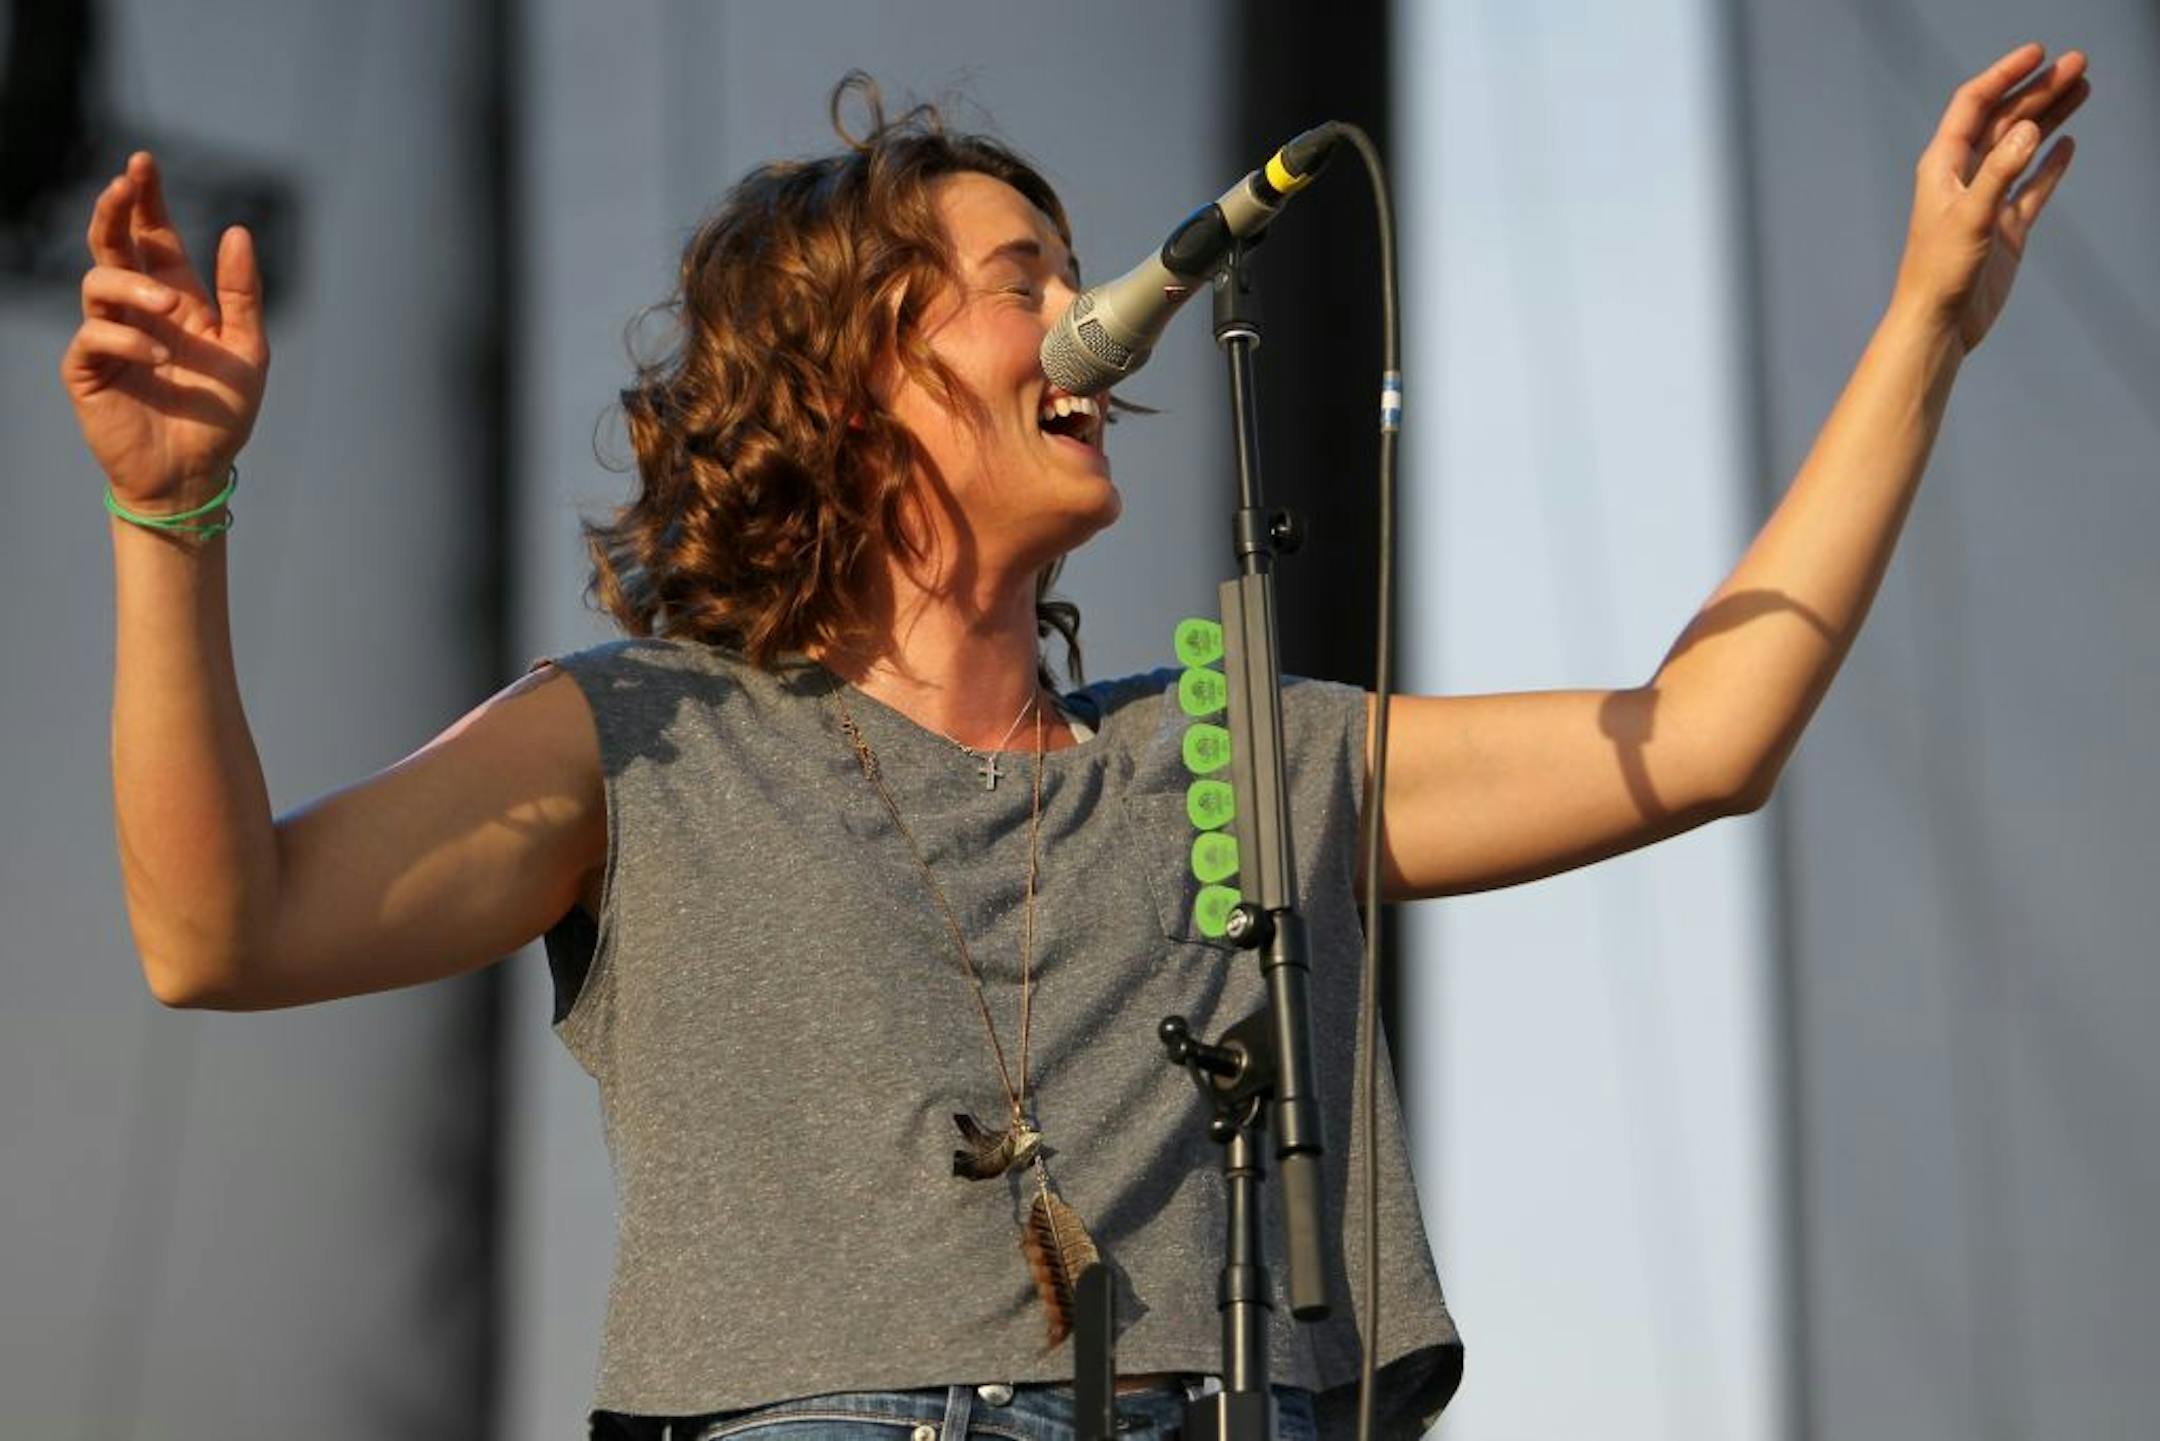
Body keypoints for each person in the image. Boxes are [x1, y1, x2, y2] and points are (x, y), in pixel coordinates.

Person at [69, 46, 2087, 1441]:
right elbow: (219, 929)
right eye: (1021, 281)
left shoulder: (1239, 759)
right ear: (853, 376)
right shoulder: (642, 738)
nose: (1099, 318)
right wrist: (172, 519)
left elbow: (1705, 732)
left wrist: (1923, 322)